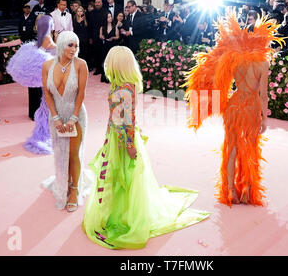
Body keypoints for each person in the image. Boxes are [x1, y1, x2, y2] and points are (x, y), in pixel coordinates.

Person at [82, 46, 209, 249]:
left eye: (110, 61)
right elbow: (119, 117)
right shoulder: (119, 85)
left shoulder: (125, 87)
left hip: (123, 139)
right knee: (120, 177)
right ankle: (120, 213)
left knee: (127, 177)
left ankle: (127, 217)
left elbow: (128, 119)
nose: (107, 64)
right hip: (115, 137)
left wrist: (130, 144)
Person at [184, 12, 281, 206]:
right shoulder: (263, 63)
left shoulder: (235, 59)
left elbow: (220, 80)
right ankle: (246, 191)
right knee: (250, 147)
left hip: (234, 104)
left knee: (232, 148)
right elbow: (263, 95)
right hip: (251, 107)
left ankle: (229, 191)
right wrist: (264, 118)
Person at [41, 31, 92, 211]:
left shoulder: (80, 65)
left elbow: (81, 94)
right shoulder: (47, 66)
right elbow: (47, 94)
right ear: (61, 44)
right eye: (70, 45)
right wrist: (55, 117)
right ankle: (64, 181)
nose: (74, 49)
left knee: (73, 154)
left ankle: (74, 190)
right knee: (60, 153)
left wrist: (73, 118)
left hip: (75, 113)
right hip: (56, 115)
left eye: (76, 45)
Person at [5, 15, 56, 154]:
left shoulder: (40, 38)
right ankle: (47, 134)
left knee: (46, 106)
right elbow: (53, 50)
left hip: (47, 78)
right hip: (51, 78)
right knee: (49, 107)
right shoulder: (48, 39)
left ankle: (45, 133)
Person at [99, 12, 119, 83]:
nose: (110, 18)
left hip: (112, 46)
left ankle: (112, 77)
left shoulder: (115, 26)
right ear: (105, 18)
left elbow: (117, 37)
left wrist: (113, 38)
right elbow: (100, 36)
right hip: (105, 46)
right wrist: (103, 37)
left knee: (112, 61)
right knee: (105, 61)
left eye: (110, 17)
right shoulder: (102, 27)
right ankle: (105, 76)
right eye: (108, 17)